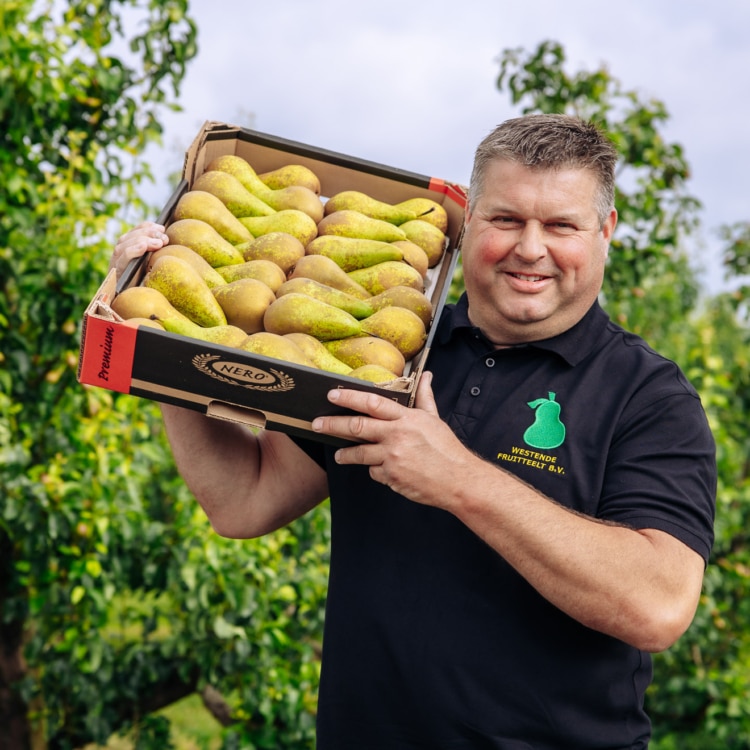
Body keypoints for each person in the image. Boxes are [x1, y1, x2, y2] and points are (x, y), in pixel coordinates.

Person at [111, 114, 716, 749]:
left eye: (561, 225)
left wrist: (458, 478)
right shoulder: (391, 355)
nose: (531, 248)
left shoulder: (648, 396)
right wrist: (159, 337)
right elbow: (242, 498)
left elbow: (658, 605)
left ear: (605, 233)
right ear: (469, 218)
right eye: (507, 219)